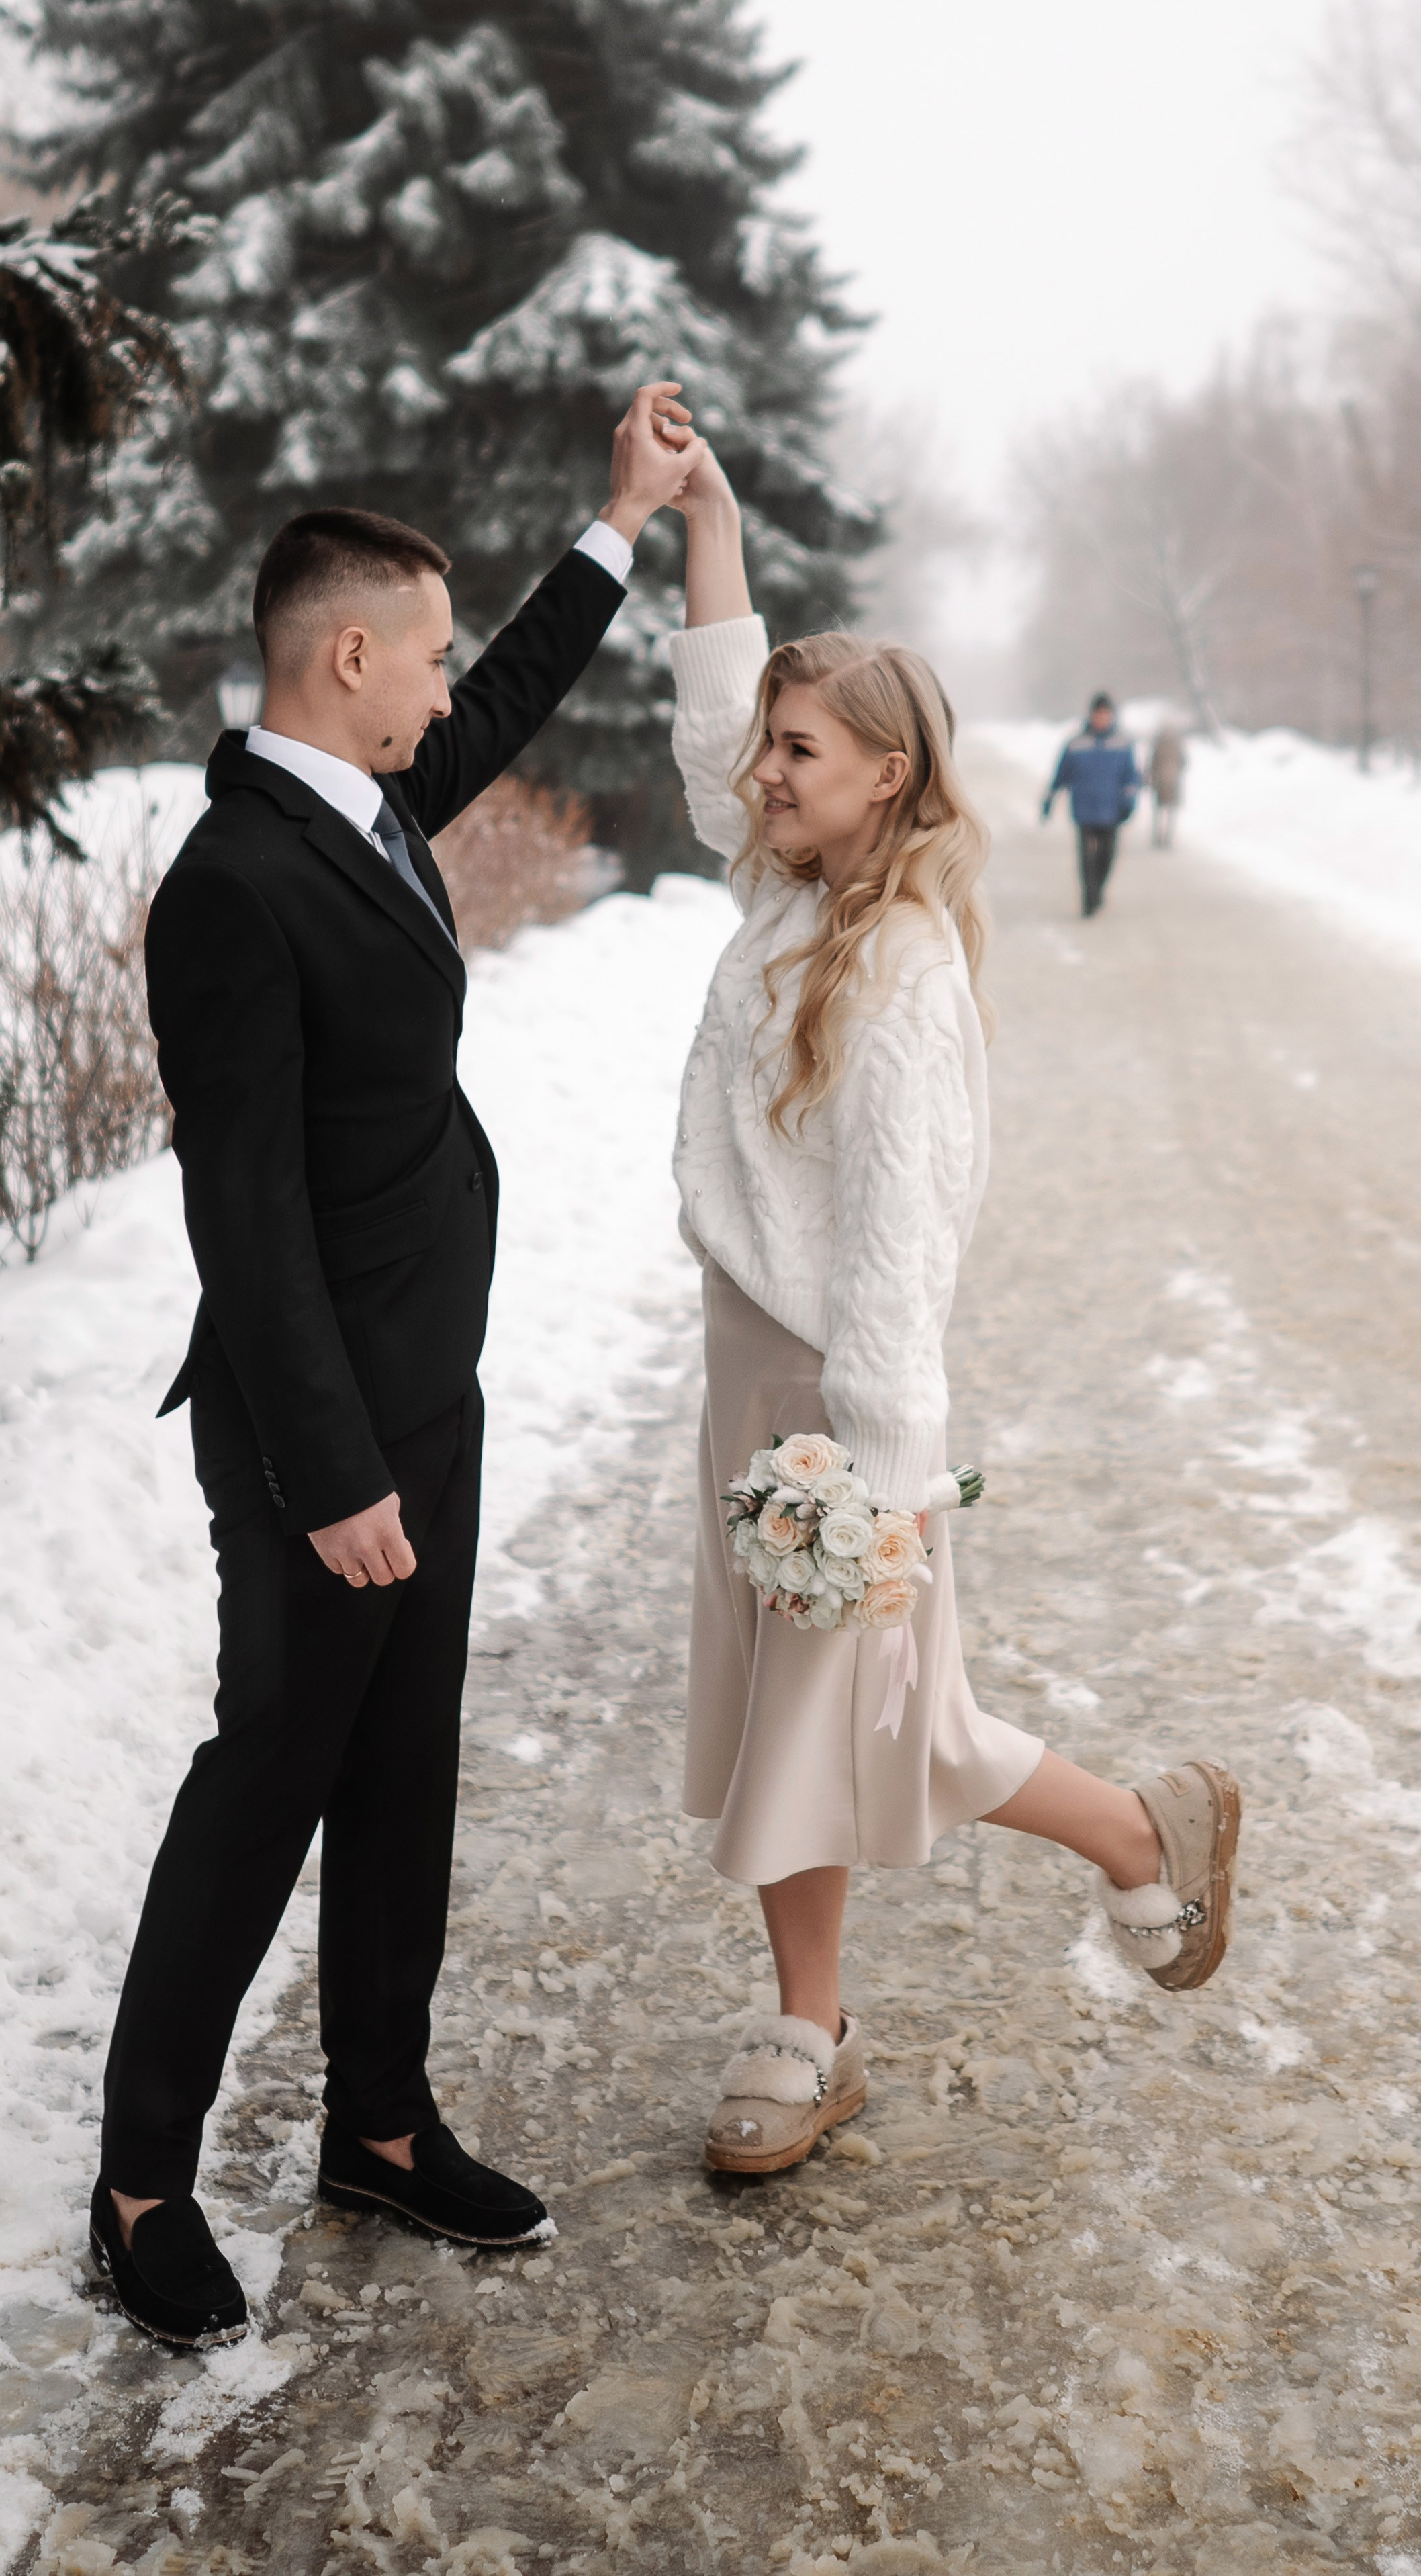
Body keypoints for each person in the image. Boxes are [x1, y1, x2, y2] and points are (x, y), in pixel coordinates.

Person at [90, 384, 707, 2346]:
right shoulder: (233, 885)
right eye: (424, 660)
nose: (449, 693)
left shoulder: (353, 814)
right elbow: (244, 1219)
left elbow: (508, 696)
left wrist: (616, 523)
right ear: (344, 659)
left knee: (403, 1773)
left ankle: (377, 2121)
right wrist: (337, 1475)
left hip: (421, 1406)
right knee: (266, 1777)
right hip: (315, 1442)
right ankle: (137, 2182)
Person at [659, 448, 1242, 2176]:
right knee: (815, 1712)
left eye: (798, 749)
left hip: (841, 1398)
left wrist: (882, 1478)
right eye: (767, 743)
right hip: (742, 1368)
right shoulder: (778, 887)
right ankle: (835, 2010)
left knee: (879, 1716)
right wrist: (705, 526)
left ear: (883, 775)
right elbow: (705, 732)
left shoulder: (901, 968)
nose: (760, 771)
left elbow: (905, 1242)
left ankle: (1080, 1863)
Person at [1041, 693, 1142, 916]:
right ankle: (1090, 895)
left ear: (1112, 716)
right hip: (1084, 810)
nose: (1102, 719)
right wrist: (1050, 798)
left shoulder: (1122, 744)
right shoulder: (1077, 744)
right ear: (1091, 715)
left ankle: (1100, 888)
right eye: (1098, 714)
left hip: (1111, 810)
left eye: (1106, 715)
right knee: (1086, 857)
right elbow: (1062, 774)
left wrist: (1129, 799)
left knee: (1107, 855)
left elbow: (1131, 776)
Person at [1148, 721, 1186, 848]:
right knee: (1170, 812)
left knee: (1159, 812)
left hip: (1161, 782)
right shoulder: (1177, 745)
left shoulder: (1159, 744)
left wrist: (1152, 777)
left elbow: (1153, 762)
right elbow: (1184, 763)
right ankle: (1167, 838)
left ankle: (1158, 837)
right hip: (1172, 782)